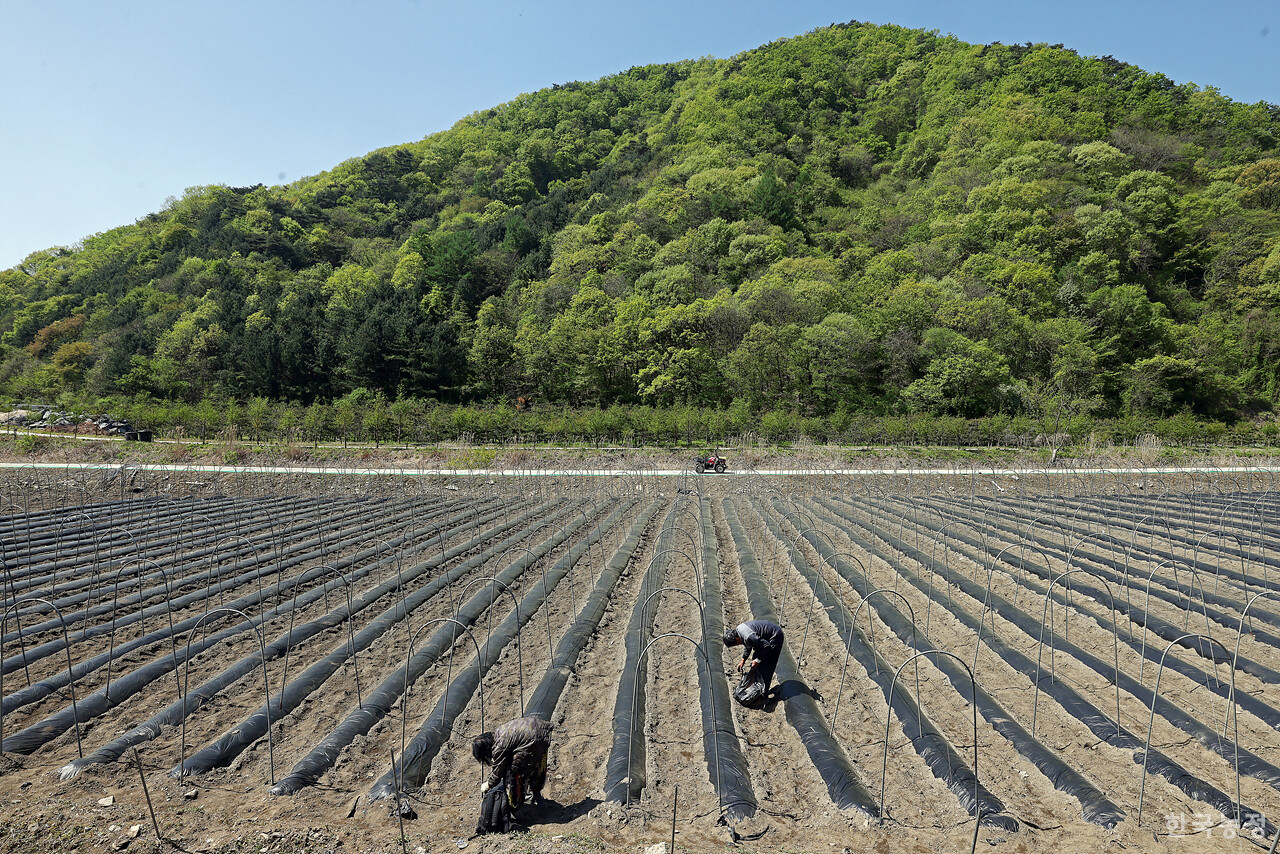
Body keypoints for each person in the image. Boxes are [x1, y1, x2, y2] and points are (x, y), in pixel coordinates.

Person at [472, 715, 554, 808]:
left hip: (532, 740)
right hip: (543, 732)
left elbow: (498, 771)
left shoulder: (499, 746)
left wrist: (488, 784)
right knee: (538, 766)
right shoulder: (499, 732)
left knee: (516, 771)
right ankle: (537, 794)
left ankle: (516, 804)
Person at [723, 619, 785, 694]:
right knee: (756, 664)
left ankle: (763, 694)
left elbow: (766, 645)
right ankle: (757, 688)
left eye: (736, 644)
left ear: (737, 638)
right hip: (764, 639)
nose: (738, 645)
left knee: (766, 665)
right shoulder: (739, 631)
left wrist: (758, 660)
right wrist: (743, 660)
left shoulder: (749, 636)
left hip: (774, 636)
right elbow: (748, 645)